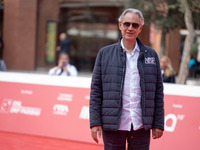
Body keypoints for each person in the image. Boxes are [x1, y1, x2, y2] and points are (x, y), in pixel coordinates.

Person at [90, 8, 164, 150]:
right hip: (112, 125)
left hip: (140, 125)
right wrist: (95, 122)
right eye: (126, 24)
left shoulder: (152, 55)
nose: (130, 28)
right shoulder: (104, 54)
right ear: (120, 25)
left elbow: (158, 92)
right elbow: (96, 91)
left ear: (140, 28)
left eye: (135, 25)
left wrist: (158, 123)